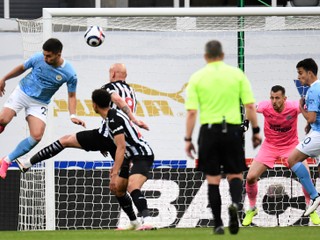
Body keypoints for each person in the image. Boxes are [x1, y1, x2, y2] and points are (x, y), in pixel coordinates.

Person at [16, 63, 151, 230]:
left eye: (110, 72)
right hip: (118, 140)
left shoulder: (109, 87)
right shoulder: (132, 91)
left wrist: (133, 118)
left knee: (65, 140)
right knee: (117, 186)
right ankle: (136, 222)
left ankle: (28, 162)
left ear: (114, 73)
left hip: (109, 137)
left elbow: (115, 98)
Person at [184, 40, 262, 235]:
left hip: (209, 132)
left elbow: (192, 112)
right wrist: (255, 131)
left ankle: (218, 223)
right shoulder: (236, 75)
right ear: (223, 54)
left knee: (212, 179)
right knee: (235, 174)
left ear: (205, 56)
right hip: (233, 131)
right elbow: (250, 106)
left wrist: (187, 139)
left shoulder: (197, 77)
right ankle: (236, 204)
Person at [0, 38, 85, 179]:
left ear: (59, 54)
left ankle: (6, 160)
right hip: (22, 92)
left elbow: (71, 96)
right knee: (3, 119)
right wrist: (4, 79)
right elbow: (22, 68)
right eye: (44, 54)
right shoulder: (38, 58)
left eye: (49, 56)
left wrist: (73, 115)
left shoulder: (70, 73)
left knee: (37, 136)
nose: (45, 58)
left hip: (39, 103)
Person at [242, 85, 320, 226]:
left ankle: (310, 207)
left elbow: (311, 112)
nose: (274, 101)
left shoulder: (294, 106)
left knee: (306, 175)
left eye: (277, 98)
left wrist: (311, 125)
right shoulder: (266, 106)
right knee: (250, 177)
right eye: (272, 97)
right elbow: (250, 107)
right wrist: (246, 122)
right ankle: (252, 209)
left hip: (291, 147)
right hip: (269, 146)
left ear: (284, 99)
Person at [288, 58, 320, 216]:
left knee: (292, 160)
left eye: (301, 73)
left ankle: (314, 196)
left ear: (310, 73)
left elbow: (311, 118)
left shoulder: (313, 90)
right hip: (316, 131)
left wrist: (301, 107)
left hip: (319, 134)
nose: (299, 77)